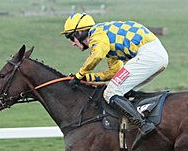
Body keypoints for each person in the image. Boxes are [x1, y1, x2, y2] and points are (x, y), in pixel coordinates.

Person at [61, 12, 168, 144]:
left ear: (80, 32)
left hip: (148, 55)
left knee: (111, 92)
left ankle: (144, 126)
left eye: (71, 38)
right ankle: (137, 124)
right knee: (122, 90)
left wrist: (79, 75)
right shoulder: (106, 37)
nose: (73, 44)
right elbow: (114, 71)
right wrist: (89, 77)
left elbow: (97, 56)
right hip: (155, 55)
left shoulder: (96, 35)